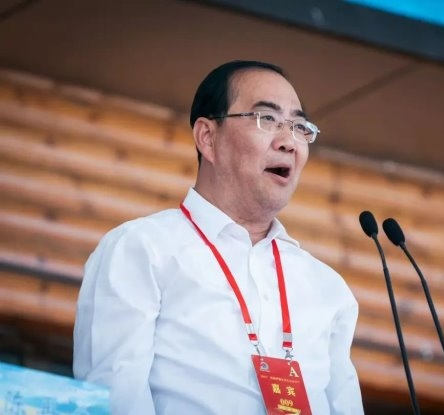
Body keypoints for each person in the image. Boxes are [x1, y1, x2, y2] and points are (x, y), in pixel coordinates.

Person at [73, 60, 363, 414]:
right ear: (208, 138)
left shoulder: (327, 288)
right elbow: (114, 398)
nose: (289, 142)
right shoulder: (142, 249)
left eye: (300, 127)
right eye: (267, 119)